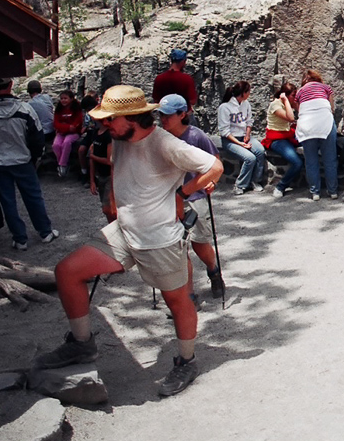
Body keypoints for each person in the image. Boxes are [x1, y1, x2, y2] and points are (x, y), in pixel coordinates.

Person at [34, 85, 223, 398]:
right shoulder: (119, 138)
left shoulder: (165, 143)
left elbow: (214, 166)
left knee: (178, 302)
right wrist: (112, 202)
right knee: (67, 272)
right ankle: (82, 345)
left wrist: (181, 194)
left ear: (132, 118)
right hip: (124, 231)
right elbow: (121, 173)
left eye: (110, 120)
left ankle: (186, 360)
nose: (103, 124)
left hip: (160, 238)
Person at [0, 76, 59, 251]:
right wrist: (35, 158)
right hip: (22, 160)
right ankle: (45, 232)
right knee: (33, 196)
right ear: (11, 85)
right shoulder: (24, 109)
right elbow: (37, 137)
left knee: (7, 200)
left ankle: (20, 239)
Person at [158, 94, 226, 300]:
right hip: (169, 199)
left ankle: (213, 271)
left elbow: (215, 161)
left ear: (182, 114)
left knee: (199, 243)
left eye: (168, 115)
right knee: (178, 248)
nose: (163, 119)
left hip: (194, 197)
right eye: (161, 115)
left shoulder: (196, 136)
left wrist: (212, 182)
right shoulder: (161, 138)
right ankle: (188, 295)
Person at [293, 69, 339, 200]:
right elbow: (331, 107)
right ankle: (333, 191)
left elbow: (298, 109)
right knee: (330, 159)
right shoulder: (325, 88)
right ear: (318, 78)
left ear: (304, 80)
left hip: (307, 125)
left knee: (311, 161)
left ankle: (315, 192)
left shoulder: (300, 91)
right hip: (325, 122)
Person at [217, 80, 266, 194]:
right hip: (230, 140)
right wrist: (240, 144)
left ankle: (255, 181)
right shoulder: (225, 107)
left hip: (243, 136)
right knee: (250, 158)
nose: (249, 94)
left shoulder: (246, 104)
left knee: (260, 151)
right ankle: (240, 185)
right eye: (248, 91)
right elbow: (224, 131)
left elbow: (249, 121)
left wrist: (247, 135)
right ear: (243, 93)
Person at [261, 80, 303, 198]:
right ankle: (280, 186)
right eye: (293, 96)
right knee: (297, 163)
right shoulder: (276, 105)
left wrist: (295, 104)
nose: (295, 98)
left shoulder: (288, 104)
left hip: (288, 135)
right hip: (277, 139)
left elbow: (302, 113)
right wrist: (286, 100)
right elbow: (290, 118)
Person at [52, 90, 83, 177]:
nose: (63, 100)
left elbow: (76, 124)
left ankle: (62, 165)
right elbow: (55, 123)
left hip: (74, 133)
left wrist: (64, 127)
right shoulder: (59, 109)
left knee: (66, 142)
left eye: (65, 98)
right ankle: (62, 163)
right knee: (56, 145)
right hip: (62, 132)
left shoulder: (76, 109)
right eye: (61, 98)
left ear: (71, 99)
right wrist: (67, 127)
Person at [25, 79, 55, 151]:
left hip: (43, 134)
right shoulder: (47, 97)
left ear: (29, 91)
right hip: (52, 130)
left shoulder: (30, 104)